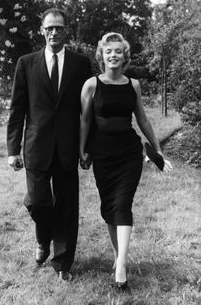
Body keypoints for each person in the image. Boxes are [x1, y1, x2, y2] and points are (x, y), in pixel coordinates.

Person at [80, 32, 172, 291]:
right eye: (109, 51)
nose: (113, 55)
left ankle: (121, 265)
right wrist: (82, 150)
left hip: (129, 153)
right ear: (102, 55)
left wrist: (157, 148)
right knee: (109, 206)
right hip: (102, 154)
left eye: (118, 51)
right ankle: (118, 255)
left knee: (122, 203)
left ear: (124, 56)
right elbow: (85, 121)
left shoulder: (133, 85)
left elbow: (142, 118)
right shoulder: (90, 85)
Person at [7, 8, 92, 281]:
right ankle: (44, 238)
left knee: (66, 206)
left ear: (66, 30)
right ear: (41, 31)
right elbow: (17, 109)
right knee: (37, 201)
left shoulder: (80, 64)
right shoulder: (26, 63)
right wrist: (12, 150)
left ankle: (62, 265)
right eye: (49, 28)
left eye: (59, 28)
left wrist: (86, 147)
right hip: (36, 147)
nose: (54, 32)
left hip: (68, 147)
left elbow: (87, 111)